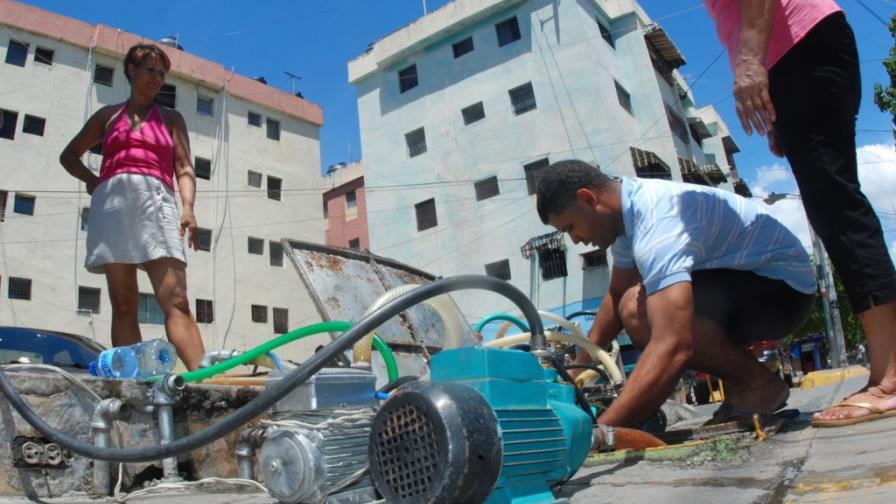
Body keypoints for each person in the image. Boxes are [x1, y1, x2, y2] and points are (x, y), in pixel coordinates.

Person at [704, 0, 896, 427]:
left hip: (801, 49)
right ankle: (886, 371)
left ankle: (891, 378)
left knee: (836, 204)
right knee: (831, 205)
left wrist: (751, 64)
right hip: (795, 58)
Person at [537, 160, 815, 428]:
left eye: (570, 228)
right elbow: (616, 294)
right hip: (747, 284)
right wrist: (576, 369)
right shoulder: (626, 217)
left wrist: (600, 432)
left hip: (783, 290)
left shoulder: (657, 222)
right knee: (630, 304)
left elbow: (672, 345)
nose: (575, 241)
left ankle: (758, 385)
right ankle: (748, 385)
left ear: (588, 198)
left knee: (641, 312)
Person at [60, 44, 205, 370]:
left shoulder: (171, 118)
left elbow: (184, 168)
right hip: (113, 206)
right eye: (150, 70)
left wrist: (188, 207)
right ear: (131, 71)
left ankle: (207, 380)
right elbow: (69, 155)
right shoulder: (107, 116)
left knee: (177, 300)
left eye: (162, 73)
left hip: (157, 201)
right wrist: (92, 180)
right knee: (124, 303)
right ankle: (134, 382)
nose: (157, 78)